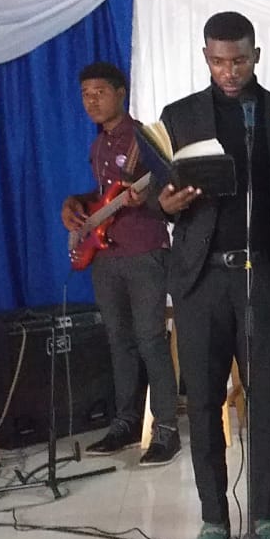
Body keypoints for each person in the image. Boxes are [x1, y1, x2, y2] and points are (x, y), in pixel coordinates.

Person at [156, 12, 270, 539]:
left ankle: (266, 518)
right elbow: (162, 197)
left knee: (267, 401)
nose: (228, 71)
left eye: (238, 61)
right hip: (202, 280)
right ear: (206, 58)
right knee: (204, 402)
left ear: (256, 56)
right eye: (218, 61)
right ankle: (212, 520)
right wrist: (167, 205)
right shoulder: (179, 116)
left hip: (265, 278)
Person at [61, 62, 180, 466]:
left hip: (144, 251)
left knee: (150, 340)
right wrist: (73, 204)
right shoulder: (98, 145)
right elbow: (101, 196)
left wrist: (144, 198)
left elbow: (170, 190)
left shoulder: (144, 140)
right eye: (85, 94)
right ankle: (126, 423)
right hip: (105, 256)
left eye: (99, 92)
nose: (91, 101)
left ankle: (166, 429)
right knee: (119, 341)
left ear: (120, 94)